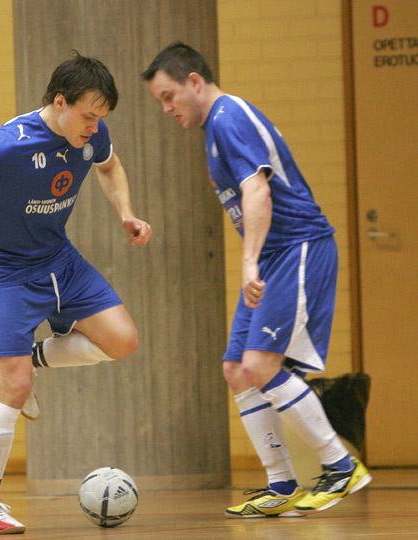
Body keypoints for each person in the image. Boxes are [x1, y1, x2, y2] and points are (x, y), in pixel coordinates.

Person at [141, 42, 371, 518]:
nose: (166, 108)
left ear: (194, 82)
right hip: (272, 256)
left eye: (168, 96)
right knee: (237, 370)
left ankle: (340, 466)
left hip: (297, 249)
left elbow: (257, 191)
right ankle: (281, 483)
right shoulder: (215, 127)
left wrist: (248, 262)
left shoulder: (229, 118)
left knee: (261, 365)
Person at [0, 51, 151, 534]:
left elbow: (109, 167)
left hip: (59, 260)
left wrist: (125, 212)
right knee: (14, 387)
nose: (94, 127)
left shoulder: (92, 135)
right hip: (2, 271)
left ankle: (34, 356)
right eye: (88, 116)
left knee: (123, 340)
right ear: (60, 102)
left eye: (100, 118)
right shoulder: (6, 145)